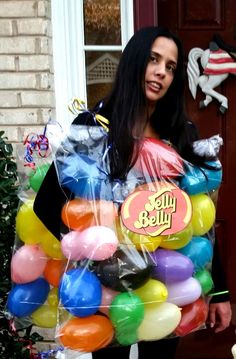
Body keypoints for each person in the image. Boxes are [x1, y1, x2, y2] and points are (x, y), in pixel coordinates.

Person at [34, 27, 232, 359]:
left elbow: (200, 221)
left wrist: (222, 291)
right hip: (109, 287)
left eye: (171, 67)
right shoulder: (94, 126)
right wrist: (93, 252)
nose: (161, 73)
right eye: (153, 60)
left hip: (167, 284)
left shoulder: (181, 134)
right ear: (133, 62)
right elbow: (47, 203)